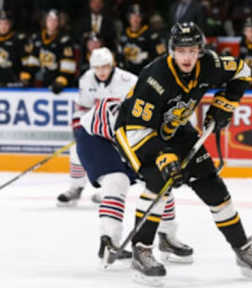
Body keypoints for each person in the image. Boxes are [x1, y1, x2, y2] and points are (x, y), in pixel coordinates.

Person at [114, 22, 252, 285]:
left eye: (192, 50)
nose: (187, 56)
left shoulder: (210, 65)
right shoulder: (155, 78)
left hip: (176, 129)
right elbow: (137, 129)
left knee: (213, 186)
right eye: (181, 50)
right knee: (159, 181)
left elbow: (243, 71)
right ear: (171, 51)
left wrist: (225, 103)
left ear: (200, 50)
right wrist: (164, 157)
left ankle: (242, 249)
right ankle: (141, 250)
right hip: (135, 133)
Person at [73, 48, 194, 264]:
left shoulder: (166, 103)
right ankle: (109, 240)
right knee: (117, 181)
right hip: (96, 136)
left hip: (126, 135)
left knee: (161, 179)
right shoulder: (138, 110)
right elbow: (131, 139)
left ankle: (167, 236)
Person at [56, 47, 135, 206]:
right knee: (76, 151)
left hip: (122, 130)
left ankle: (109, 190)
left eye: (105, 67)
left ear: (112, 65)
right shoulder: (87, 79)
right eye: (97, 68)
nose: (101, 71)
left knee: (116, 158)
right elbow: (82, 108)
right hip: (97, 128)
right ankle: (76, 188)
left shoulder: (129, 81)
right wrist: (79, 129)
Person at [28, 9, 77, 93]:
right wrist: (28, 75)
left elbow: (68, 63)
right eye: (50, 20)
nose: (52, 23)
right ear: (45, 21)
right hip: (40, 80)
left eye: (55, 20)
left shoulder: (65, 40)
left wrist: (62, 80)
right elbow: (33, 60)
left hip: (57, 80)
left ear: (58, 22)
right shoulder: (36, 37)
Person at [0, 11, 31, 88]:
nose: (3, 26)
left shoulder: (17, 39)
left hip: (14, 79)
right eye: (1, 23)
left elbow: (25, 60)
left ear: (10, 25)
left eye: (6, 24)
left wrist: (25, 75)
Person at [117, 4, 166, 75]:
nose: (135, 19)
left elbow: (161, 54)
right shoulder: (124, 34)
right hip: (127, 73)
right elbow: (119, 55)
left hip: (145, 73)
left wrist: (147, 56)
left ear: (142, 18)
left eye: (138, 16)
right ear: (128, 18)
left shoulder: (151, 34)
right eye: (133, 16)